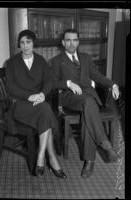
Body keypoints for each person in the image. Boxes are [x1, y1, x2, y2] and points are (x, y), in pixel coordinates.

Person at [50, 29, 120, 179]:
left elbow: (97, 76)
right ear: (63, 43)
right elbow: (52, 83)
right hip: (70, 97)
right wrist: (68, 83)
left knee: (88, 114)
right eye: (68, 40)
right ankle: (105, 144)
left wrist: (113, 85)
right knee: (89, 104)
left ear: (78, 42)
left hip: (89, 96)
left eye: (75, 40)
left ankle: (90, 161)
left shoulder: (86, 58)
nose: (72, 43)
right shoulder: (56, 61)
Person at [5, 29, 66, 179]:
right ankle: (50, 158)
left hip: (38, 102)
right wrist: (30, 96)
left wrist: (42, 94)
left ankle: (42, 158)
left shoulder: (40, 60)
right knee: (46, 110)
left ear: (33, 44)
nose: (25, 46)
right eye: (22, 43)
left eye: (29, 42)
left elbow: (49, 81)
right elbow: (10, 87)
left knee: (44, 109)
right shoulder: (11, 63)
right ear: (19, 44)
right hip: (20, 105)